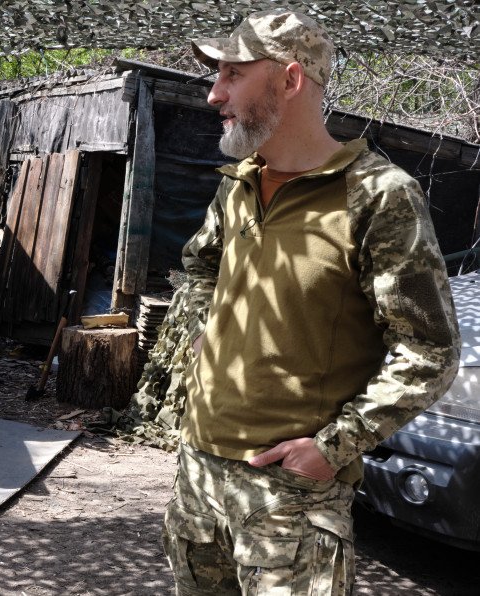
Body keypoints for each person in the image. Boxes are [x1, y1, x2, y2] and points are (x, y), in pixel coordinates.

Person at [163, 8, 461, 594]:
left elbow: (427, 350)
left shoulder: (380, 197)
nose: (212, 95)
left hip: (290, 499)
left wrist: (334, 447)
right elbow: (200, 262)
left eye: (231, 74)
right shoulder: (239, 182)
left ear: (290, 80)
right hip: (198, 472)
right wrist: (207, 326)